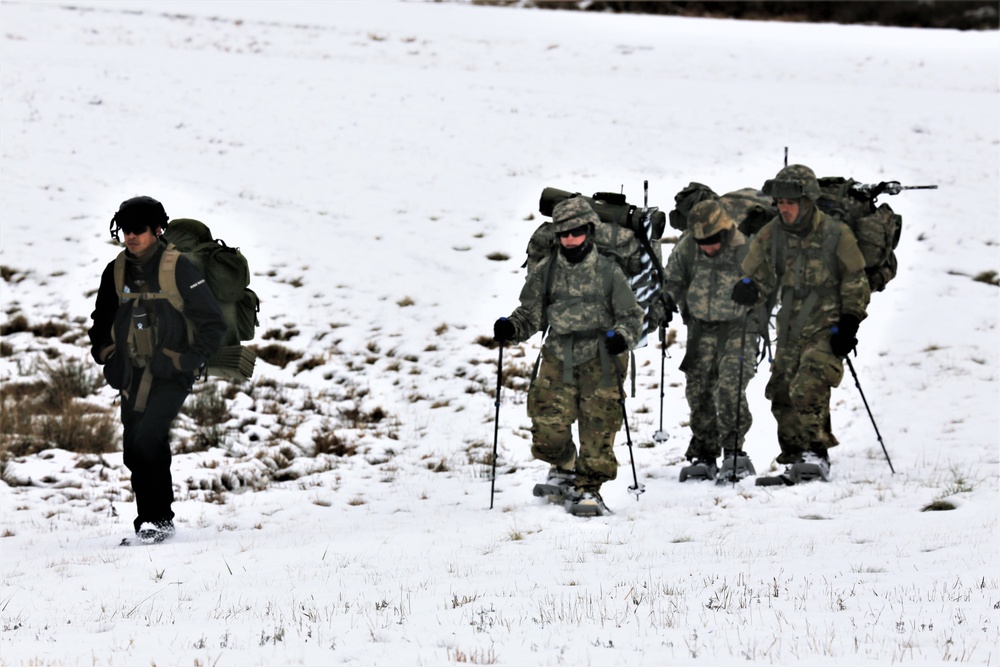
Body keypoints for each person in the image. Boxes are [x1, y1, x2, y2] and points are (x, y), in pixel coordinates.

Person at [493, 196, 644, 515]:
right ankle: (562, 466)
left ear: (589, 231)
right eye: (563, 233)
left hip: (602, 358)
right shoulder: (547, 270)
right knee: (547, 424)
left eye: (576, 232)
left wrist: (622, 337)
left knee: (598, 428)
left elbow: (631, 315)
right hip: (558, 354)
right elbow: (532, 312)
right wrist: (512, 328)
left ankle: (590, 489)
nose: (570, 239)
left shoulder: (608, 271)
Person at [88, 196, 226, 543]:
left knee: (149, 437)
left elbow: (213, 323)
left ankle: (158, 520)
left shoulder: (178, 268)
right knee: (134, 448)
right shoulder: (115, 270)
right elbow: (100, 321)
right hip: (131, 374)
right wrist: (106, 353)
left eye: (138, 230)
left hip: (171, 373)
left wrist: (184, 360)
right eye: (124, 230)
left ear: (157, 230)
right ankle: (148, 520)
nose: (130, 236)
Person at [732, 164, 871, 482]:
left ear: (808, 201)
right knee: (781, 390)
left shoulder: (836, 234)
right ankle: (795, 455)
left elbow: (855, 280)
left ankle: (814, 452)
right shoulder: (771, 234)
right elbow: (759, 275)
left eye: (790, 202)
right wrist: (749, 288)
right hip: (790, 323)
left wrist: (850, 322)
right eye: (779, 202)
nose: (784, 208)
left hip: (829, 321)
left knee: (808, 383)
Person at [663, 199, 760, 482]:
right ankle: (704, 451)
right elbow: (673, 279)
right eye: (701, 241)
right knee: (699, 389)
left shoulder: (747, 248)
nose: (707, 247)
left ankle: (734, 452)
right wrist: (666, 299)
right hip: (700, 328)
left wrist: (754, 292)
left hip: (738, 328)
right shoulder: (688, 247)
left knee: (730, 384)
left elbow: (769, 283)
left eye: (712, 241)